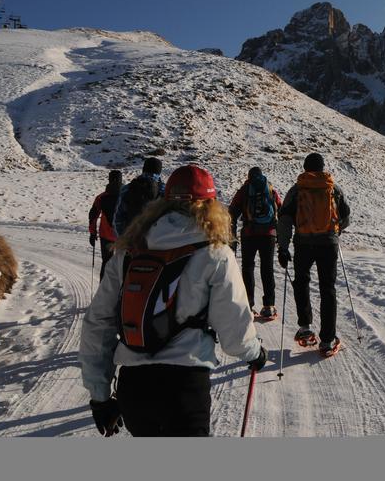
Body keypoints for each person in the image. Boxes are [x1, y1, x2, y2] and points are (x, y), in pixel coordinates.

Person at [79, 164, 267, 437]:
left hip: (134, 388)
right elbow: (234, 329)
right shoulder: (215, 253)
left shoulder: (130, 250)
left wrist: (100, 397)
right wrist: (254, 353)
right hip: (185, 386)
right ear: (211, 205)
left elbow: (98, 323)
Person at [277, 152, 351, 356]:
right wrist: (335, 231)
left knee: (301, 282)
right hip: (328, 244)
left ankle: (305, 328)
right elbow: (346, 216)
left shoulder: (297, 189)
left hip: (303, 244)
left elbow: (284, 220)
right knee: (327, 288)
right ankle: (327, 340)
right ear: (322, 167)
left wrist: (282, 248)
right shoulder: (332, 188)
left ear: (305, 168)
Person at [228, 167, 283, 318]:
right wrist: (280, 235)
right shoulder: (270, 189)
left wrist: (232, 236)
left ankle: (249, 305)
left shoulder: (245, 190)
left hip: (249, 234)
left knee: (248, 268)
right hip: (268, 235)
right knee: (267, 268)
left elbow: (232, 212)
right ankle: (269, 306)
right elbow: (280, 208)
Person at [113, 157, 165, 237]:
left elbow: (118, 218)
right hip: (157, 241)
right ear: (159, 171)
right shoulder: (165, 190)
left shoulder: (127, 188)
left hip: (133, 240)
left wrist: (123, 239)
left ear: (143, 169)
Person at [88, 170, 123, 280]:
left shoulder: (101, 197)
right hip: (123, 235)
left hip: (106, 235)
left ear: (109, 179)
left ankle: (103, 289)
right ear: (121, 180)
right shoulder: (127, 194)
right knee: (122, 263)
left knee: (106, 262)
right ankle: (121, 291)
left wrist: (93, 233)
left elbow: (93, 216)